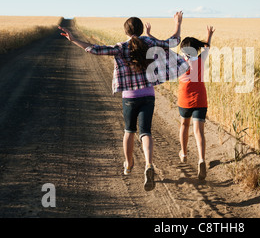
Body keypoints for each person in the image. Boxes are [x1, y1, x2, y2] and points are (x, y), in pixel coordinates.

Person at [58, 12, 188, 191]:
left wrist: (73, 39)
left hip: (129, 98)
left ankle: (128, 164)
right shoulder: (150, 43)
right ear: (142, 30)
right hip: (148, 95)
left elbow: (95, 49)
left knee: (129, 131)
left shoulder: (121, 47)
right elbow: (173, 41)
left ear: (126, 32)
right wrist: (178, 23)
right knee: (146, 132)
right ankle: (149, 164)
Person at [177, 25, 215, 180]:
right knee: (199, 131)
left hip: (184, 99)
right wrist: (208, 36)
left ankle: (184, 153)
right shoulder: (200, 60)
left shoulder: (179, 62)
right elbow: (207, 48)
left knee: (184, 125)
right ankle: (201, 159)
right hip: (200, 98)